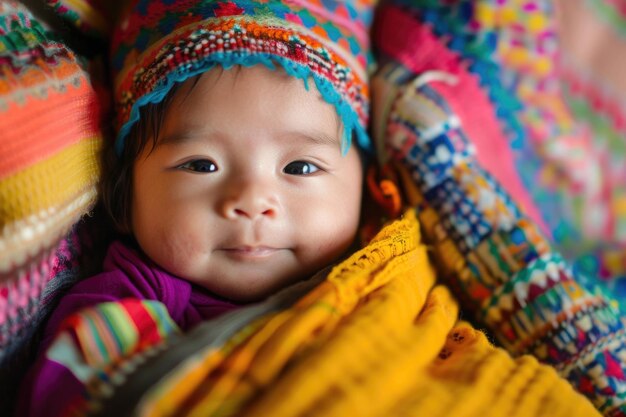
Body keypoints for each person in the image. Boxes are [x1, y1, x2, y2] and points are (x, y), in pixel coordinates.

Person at [15, 0, 375, 415]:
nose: (252, 201)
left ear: (364, 188)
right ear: (125, 196)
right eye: (202, 165)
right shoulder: (118, 308)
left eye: (300, 166)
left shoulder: (386, 285)